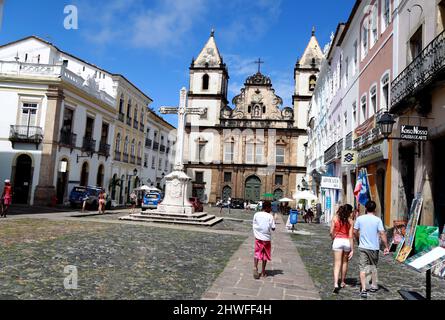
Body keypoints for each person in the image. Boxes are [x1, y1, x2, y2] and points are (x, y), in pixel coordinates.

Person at [354, 200, 390, 299]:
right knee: (373, 266)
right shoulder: (378, 220)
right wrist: (386, 246)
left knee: (363, 268)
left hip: (363, 247)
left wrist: (358, 239)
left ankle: (364, 289)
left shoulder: (360, 218)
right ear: (375, 209)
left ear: (365, 208)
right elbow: (382, 233)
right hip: (374, 247)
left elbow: (355, 231)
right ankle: (373, 286)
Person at [330, 204, 354, 294]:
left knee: (337, 263)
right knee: (345, 262)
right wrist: (352, 249)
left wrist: (333, 238)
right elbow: (351, 236)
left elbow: (331, 232)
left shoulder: (335, 218)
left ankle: (336, 283)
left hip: (337, 241)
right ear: (349, 212)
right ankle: (343, 281)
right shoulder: (351, 221)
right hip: (347, 242)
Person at [252, 201, 276, 279]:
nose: (271, 209)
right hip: (266, 239)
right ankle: (263, 272)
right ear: (267, 207)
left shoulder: (256, 214)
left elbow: (254, 224)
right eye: (270, 207)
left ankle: (255, 267)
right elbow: (273, 228)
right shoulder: (270, 216)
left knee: (257, 252)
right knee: (265, 255)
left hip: (258, 237)